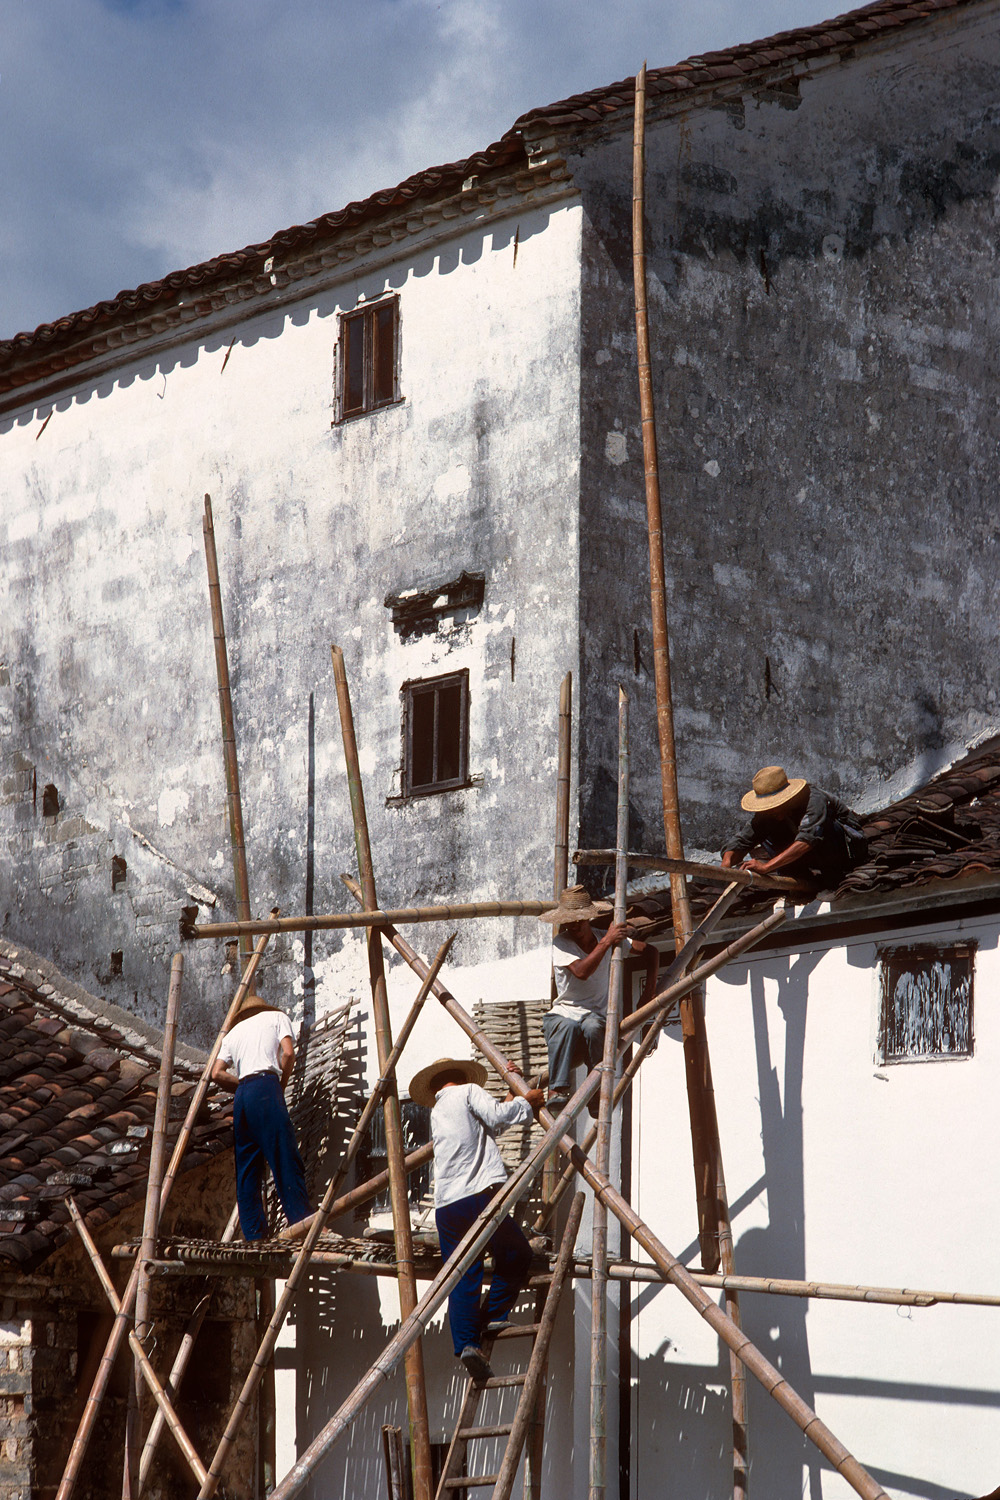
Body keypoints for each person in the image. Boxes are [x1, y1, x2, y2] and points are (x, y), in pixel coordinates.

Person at [409, 1055, 545, 1384]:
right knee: (517, 1254)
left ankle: (467, 1343)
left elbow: (487, 1122)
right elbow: (498, 1119)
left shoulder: (438, 1111)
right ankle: (494, 1315)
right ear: (462, 1077)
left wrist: (515, 1094)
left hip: (448, 1207)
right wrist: (528, 1103)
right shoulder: (469, 1091)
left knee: (462, 1274)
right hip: (477, 1196)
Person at [539, 885, 659, 1111]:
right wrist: (607, 942)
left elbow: (651, 952)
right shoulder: (563, 943)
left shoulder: (606, 939)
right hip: (565, 1013)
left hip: (595, 1016)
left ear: (588, 919)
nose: (574, 926)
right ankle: (557, 1089)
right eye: (569, 922)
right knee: (564, 1025)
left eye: (579, 920)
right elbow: (582, 972)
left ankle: (595, 1091)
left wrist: (648, 991)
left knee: (594, 1027)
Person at [211, 991, 311, 1242]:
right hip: (267, 1087)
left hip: (243, 1095)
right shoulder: (277, 1017)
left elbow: (217, 1074)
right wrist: (281, 1085)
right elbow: (288, 1053)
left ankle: (254, 1234)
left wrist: (243, 1086)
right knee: (284, 1157)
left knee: (247, 1167)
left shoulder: (232, 1034)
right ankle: (301, 1222)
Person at [722, 765, 868, 888]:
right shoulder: (767, 815)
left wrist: (766, 867)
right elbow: (743, 839)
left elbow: (808, 839)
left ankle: (833, 876)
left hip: (847, 849)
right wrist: (727, 863)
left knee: (824, 827)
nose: (772, 811)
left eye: (775, 806)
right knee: (764, 830)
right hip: (810, 856)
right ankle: (797, 875)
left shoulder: (813, 798)